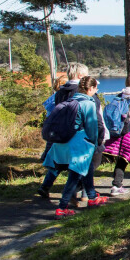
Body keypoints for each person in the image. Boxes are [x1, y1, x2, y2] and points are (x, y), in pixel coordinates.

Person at [42, 76, 109, 218]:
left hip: (63, 142)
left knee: (87, 169)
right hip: (79, 144)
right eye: (96, 88)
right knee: (75, 175)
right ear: (90, 89)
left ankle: (92, 197)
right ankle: (62, 207)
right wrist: (95, 143)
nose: (96, 91)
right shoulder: (88, 104)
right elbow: (91, 127)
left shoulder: (70, 100)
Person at [38, 63, 90, 199]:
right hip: (77, 131)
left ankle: (45, 186)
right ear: (80, 76)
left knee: (58, 161)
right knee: (81, 162)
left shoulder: (61, 91)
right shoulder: (79, 90)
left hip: (60, 131)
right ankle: (80, 192)